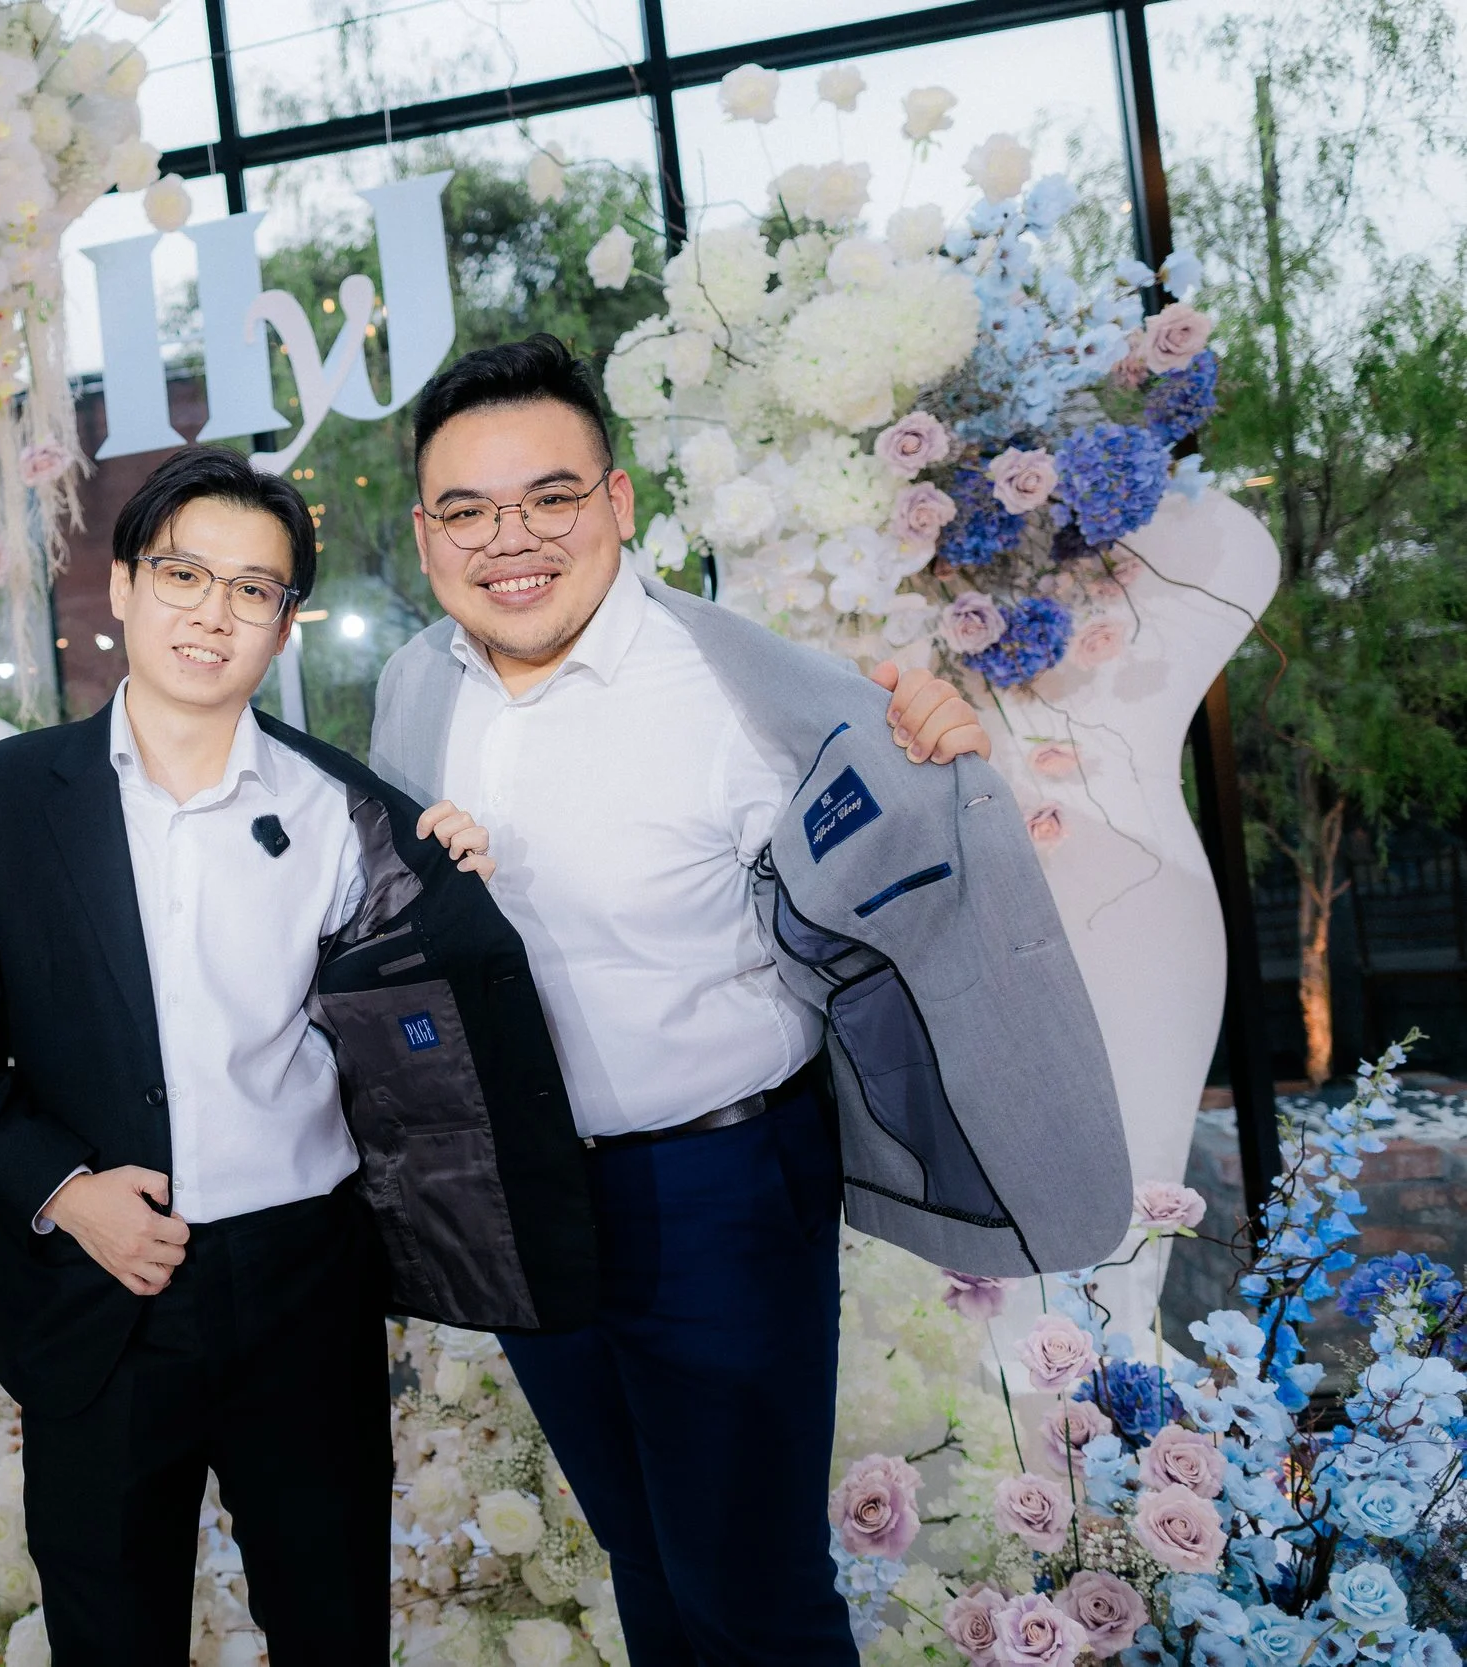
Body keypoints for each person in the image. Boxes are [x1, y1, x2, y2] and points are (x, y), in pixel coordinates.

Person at [367, 335, 1130, 1664]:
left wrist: (947, 750)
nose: (513, 540)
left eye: (549, 496)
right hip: (530, 1200)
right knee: (646, 1559)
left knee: (754, 1594)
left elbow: (909, 839)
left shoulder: (731, 686)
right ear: (427, 536)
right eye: (470, 511)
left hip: (717, 1191)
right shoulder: (413, 686)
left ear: (616, 502)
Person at [0, 445, 598, 1667]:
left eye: (253, 590)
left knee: (332, 1633)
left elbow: (419, 1010)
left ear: (283, 626)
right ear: (121, 585)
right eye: (184, 574)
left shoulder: (346, 808)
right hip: (101, 1283)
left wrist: (453, 882)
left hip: (301, 1285)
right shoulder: (3, 799)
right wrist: (64, 1190)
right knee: (111, 1637)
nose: (212, 612)